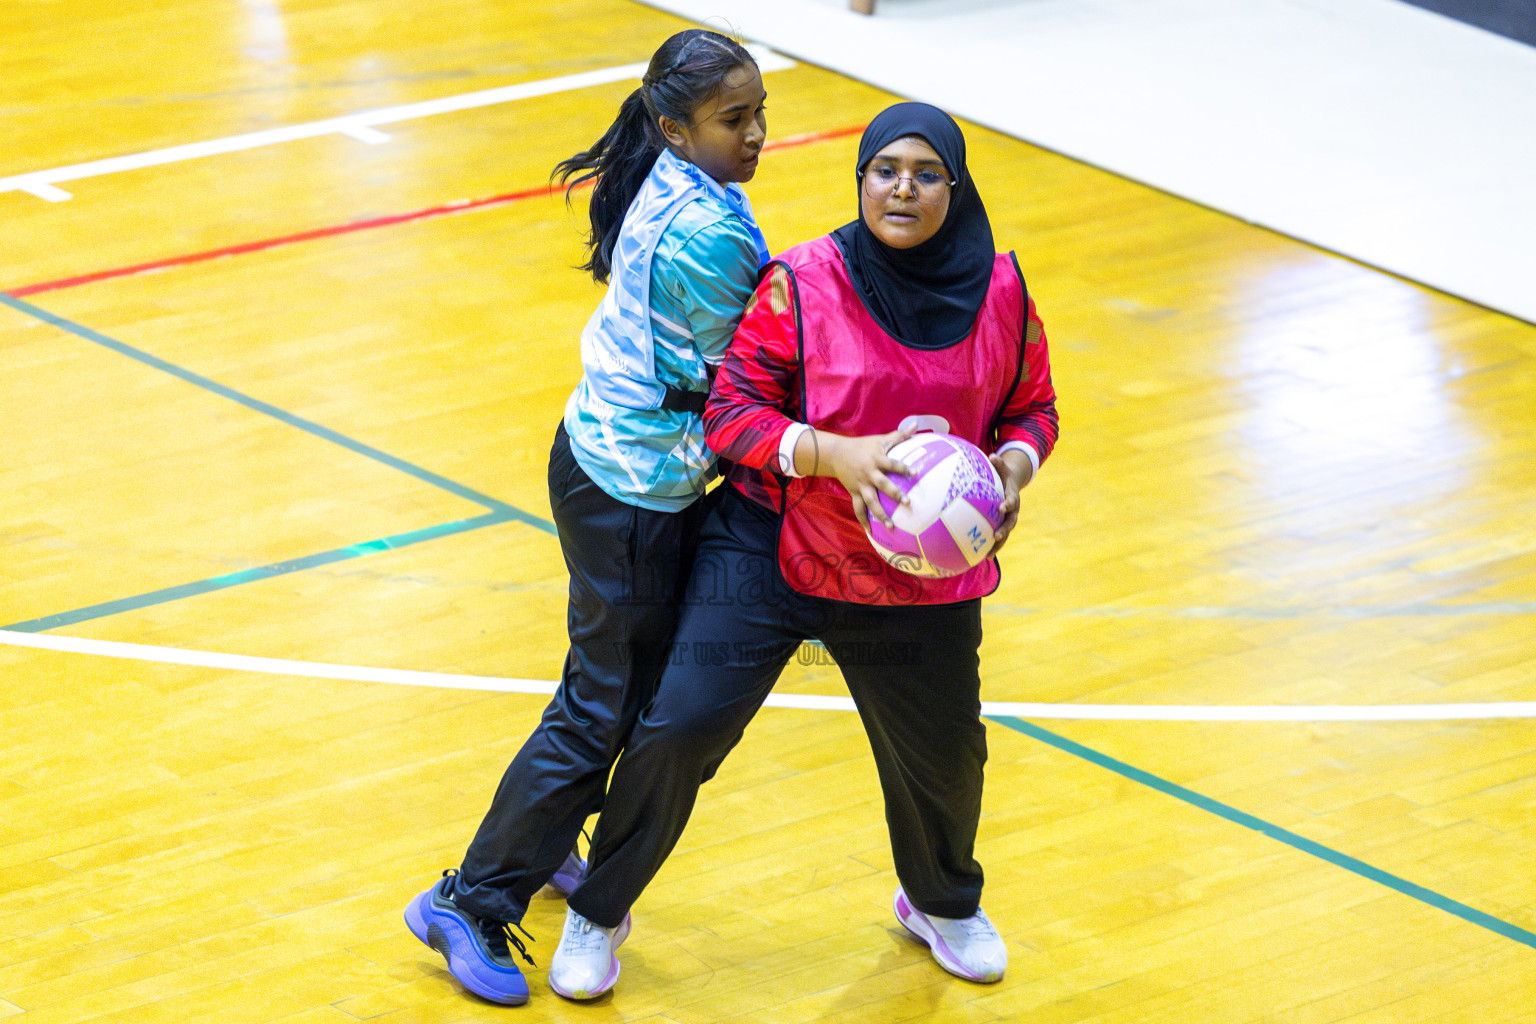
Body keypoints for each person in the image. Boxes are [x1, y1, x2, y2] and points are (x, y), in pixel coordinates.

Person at [545, 101, 1059, 1000]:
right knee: (680, 727)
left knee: (945, 756)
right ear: (858, 178)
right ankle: (599, 906)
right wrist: (835, 455)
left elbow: (1033, 407)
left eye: (926, 173)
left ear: (956, 186)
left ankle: (939, 900)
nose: (903, 187)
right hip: (773, 545)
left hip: (918, 583)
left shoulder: (1002, 291)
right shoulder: (804, 281)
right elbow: (733, 412)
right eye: (885, 169)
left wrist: (1011, 467)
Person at [404, 28, 770, 1007]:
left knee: (617, 687)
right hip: (629, 495)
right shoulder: (712, 233)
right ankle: (469, 900)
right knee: (603, 706)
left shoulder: (671, 173)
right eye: (736, 119)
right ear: (674, 126)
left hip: (603, 462)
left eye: (760, 114)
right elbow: (773, 359)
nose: (758, 134)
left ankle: (545, 836)